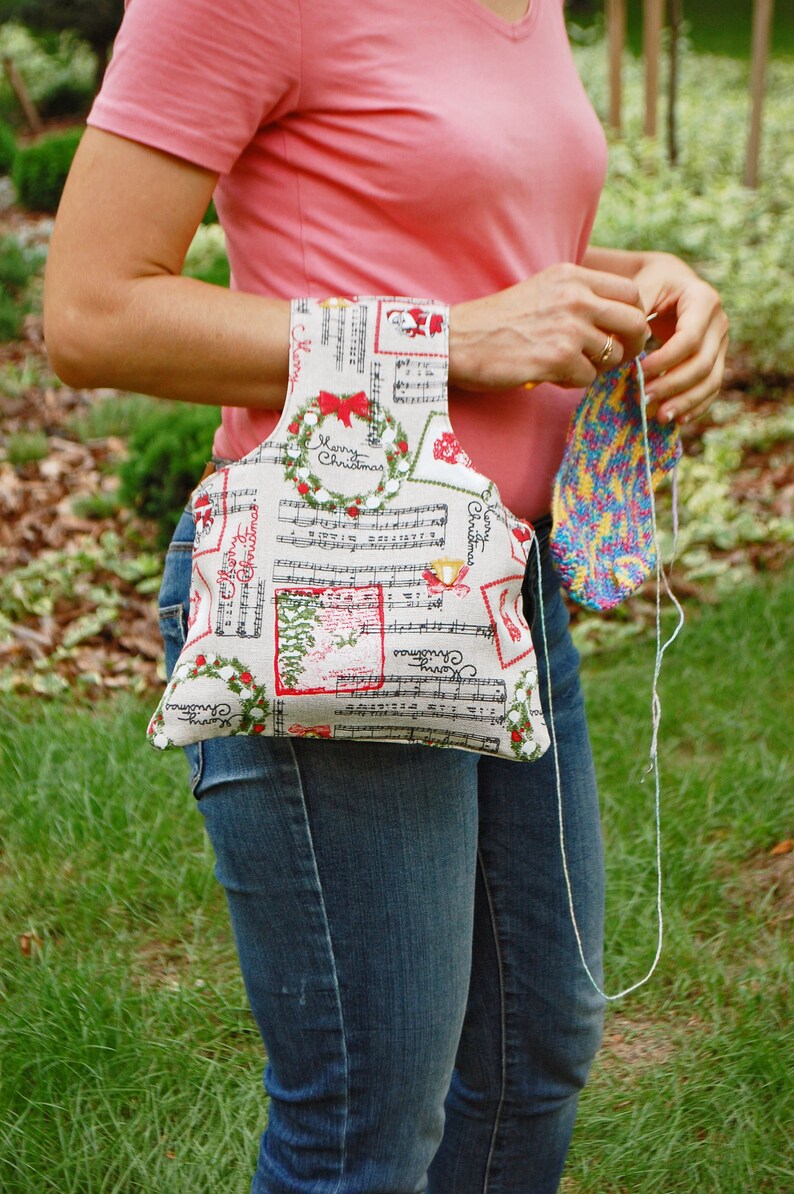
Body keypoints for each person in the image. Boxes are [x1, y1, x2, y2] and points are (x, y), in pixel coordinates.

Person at [43, 1, 728, 1190]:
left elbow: (479, 253)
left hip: (503, 582)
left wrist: (646, 285)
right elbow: (92, 310)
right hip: (337, 582)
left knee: (537, 1050)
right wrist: (436, 341)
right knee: (367, 1123)